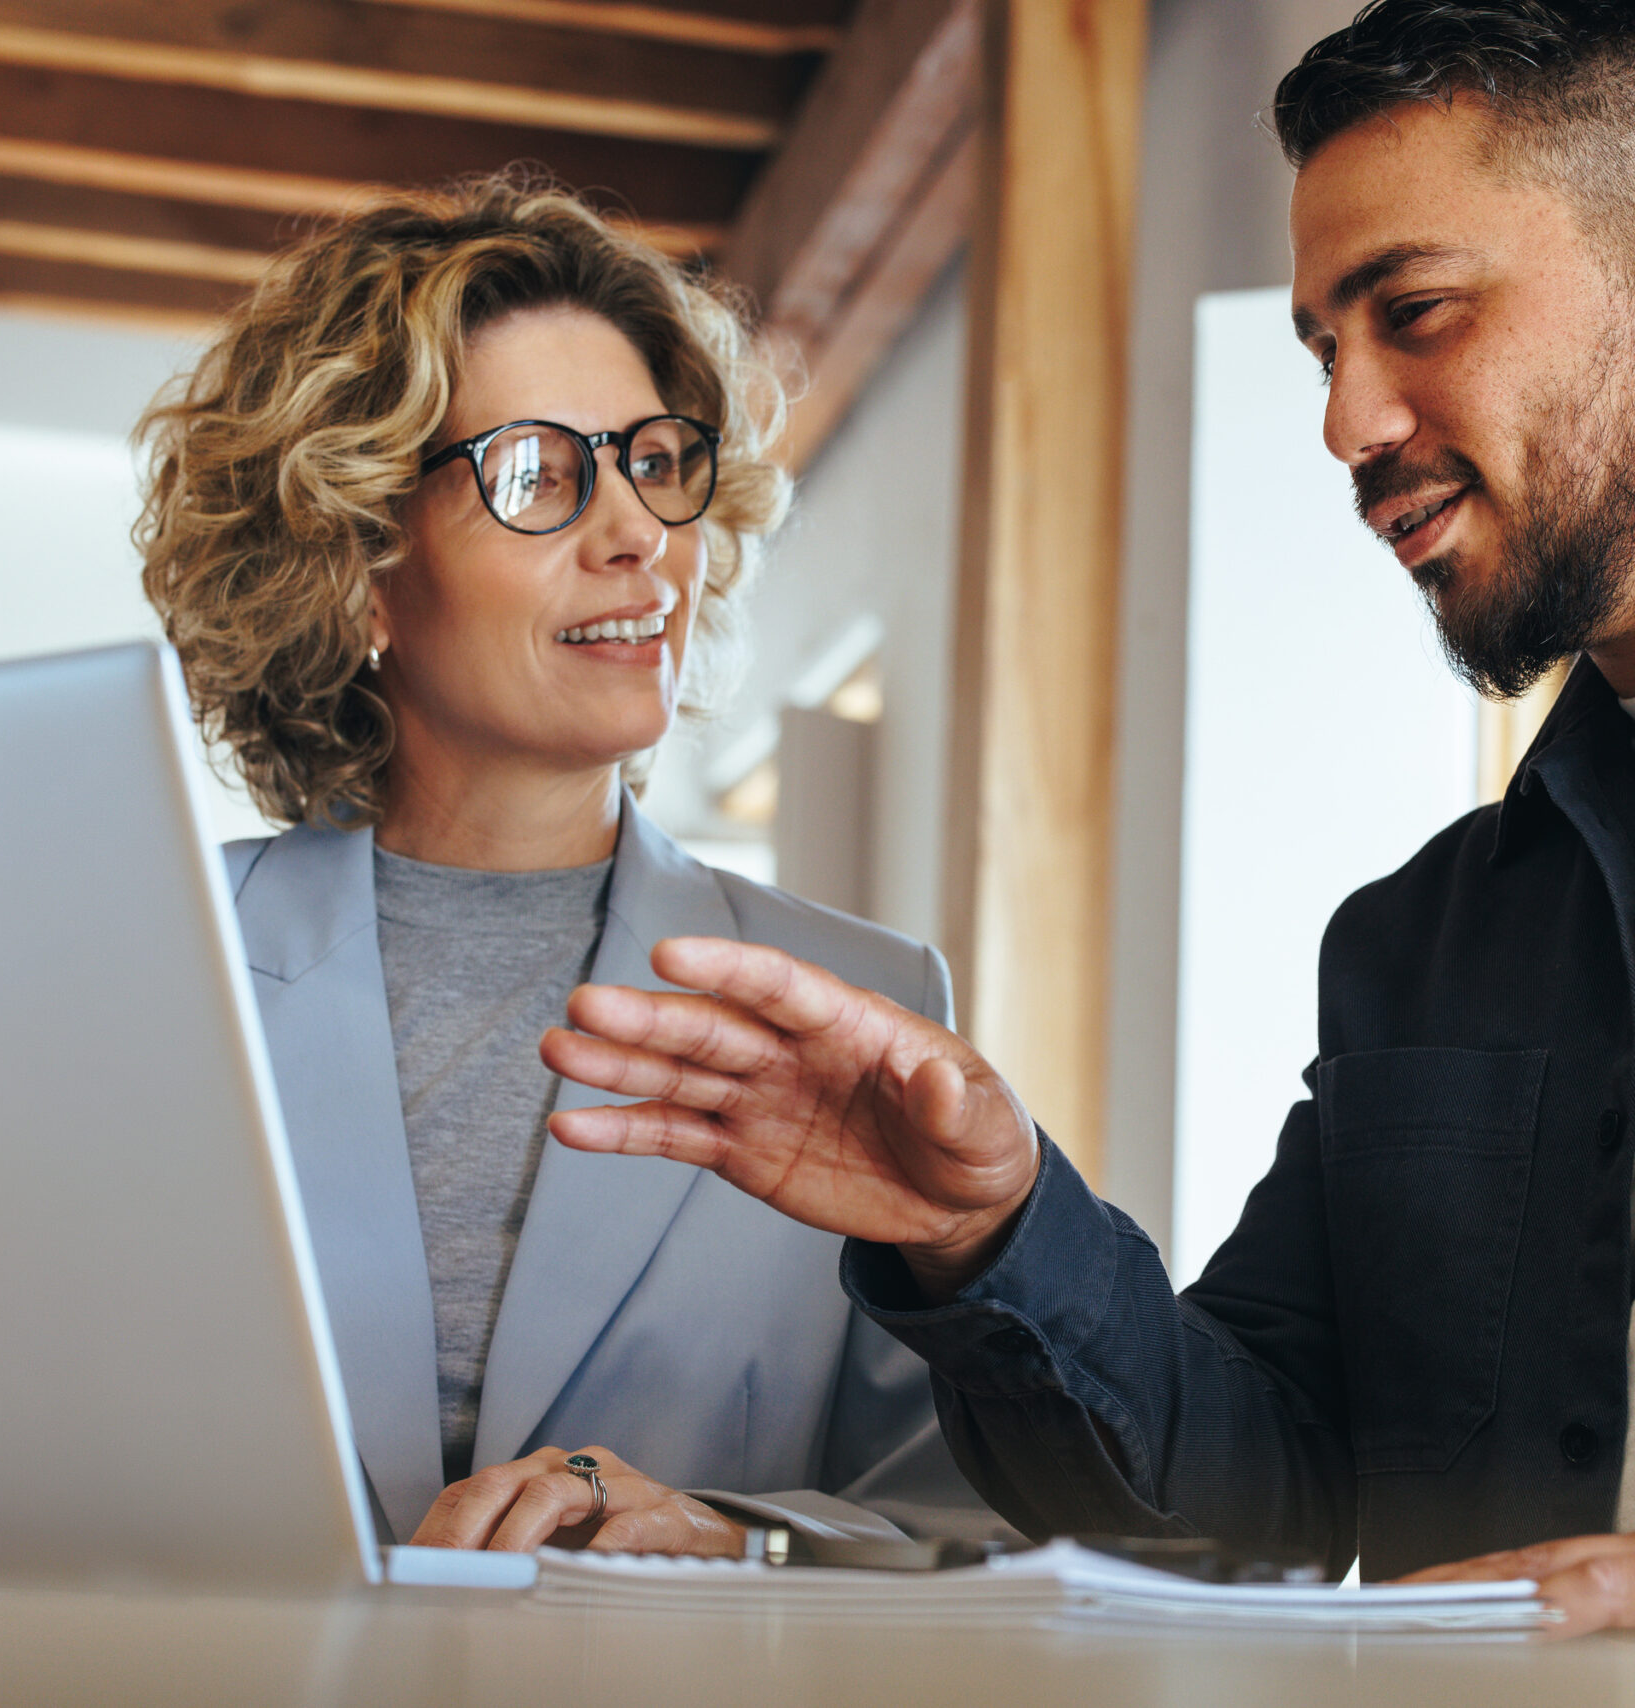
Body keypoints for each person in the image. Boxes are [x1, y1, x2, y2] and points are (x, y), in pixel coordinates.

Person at [532, 0, 1635, 1659]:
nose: (1349, 421)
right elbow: (1244, 1507)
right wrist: (991, 1233)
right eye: (1322, 346)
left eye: (1414, 312)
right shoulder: (1423, 939)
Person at [136, 173, 998, 1557]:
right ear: (358, 564)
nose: (637, 537)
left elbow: (973, 1520)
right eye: (539, 475)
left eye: (654, 462)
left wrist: (735, 1540)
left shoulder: (858, 995)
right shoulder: (147, 971)